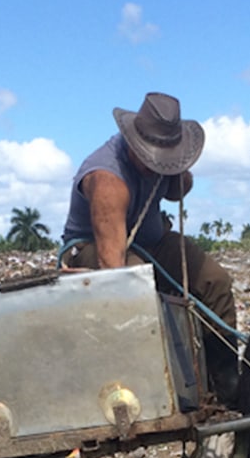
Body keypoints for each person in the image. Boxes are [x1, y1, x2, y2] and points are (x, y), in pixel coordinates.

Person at [61, 92, 240, 405]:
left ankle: (225, 384)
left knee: (216, 281)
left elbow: (177, 191)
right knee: (137, 280)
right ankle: (151, 382)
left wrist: (177, 171)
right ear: (132, 144)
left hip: (153, 242)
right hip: (95, 250)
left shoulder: (162, 167)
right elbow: (114, 266)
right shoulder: (107, 178)